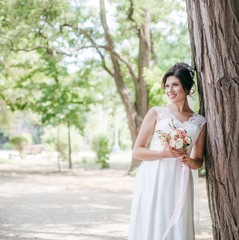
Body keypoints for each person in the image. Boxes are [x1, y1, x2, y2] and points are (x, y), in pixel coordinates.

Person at [128, 62, 207, 240]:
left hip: (181, 178)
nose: (170, 90)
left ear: (186, 87)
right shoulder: (156, 113)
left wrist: (189, 160)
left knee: (177, 223)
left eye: (175, 85)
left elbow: (199, 161)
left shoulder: (200, 122)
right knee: (154, 219)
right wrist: (164, 154)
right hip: (154, 175)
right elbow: (137, 151)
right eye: (167, 86)